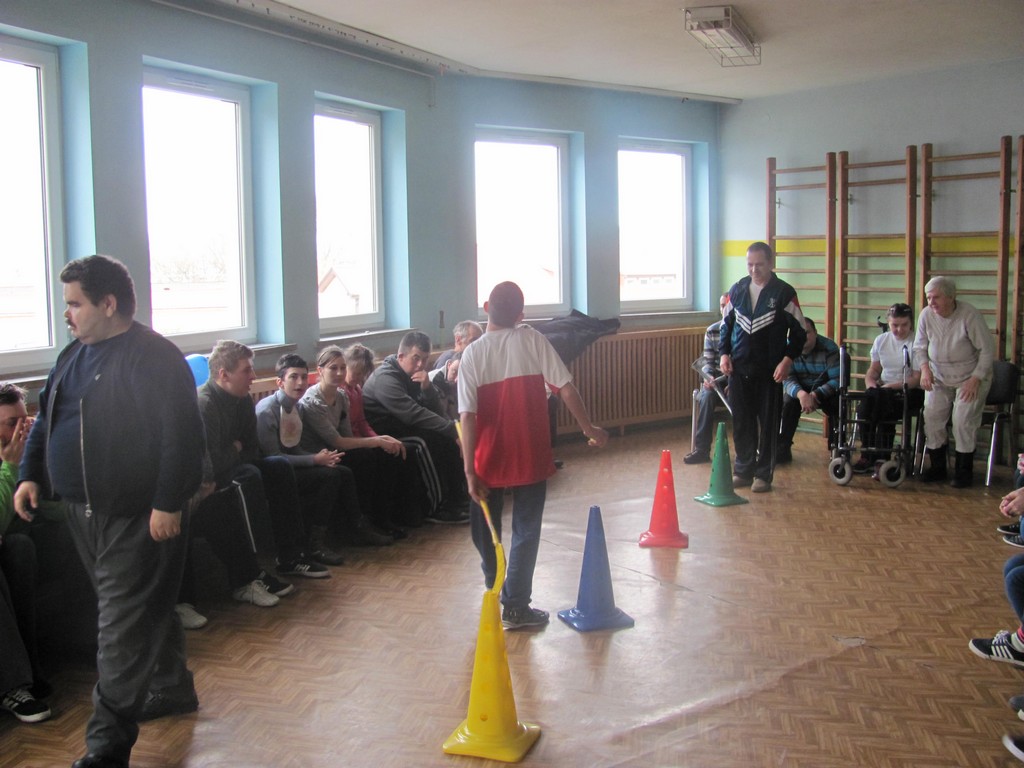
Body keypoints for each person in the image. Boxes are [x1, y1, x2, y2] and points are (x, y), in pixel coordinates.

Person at [14, 255, 205, 768]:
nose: (67, 314)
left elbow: (183, 436)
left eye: (75, 304)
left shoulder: (154, 356)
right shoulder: (72, 355)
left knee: (119, 628)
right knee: (139, 608)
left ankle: (105, 747)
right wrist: (32, 473)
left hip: (139, 514)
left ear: (108, 303)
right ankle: (172, 685)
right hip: (83, 511)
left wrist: (167, 501)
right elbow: (46, 418)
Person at [458, 281, 609, 630]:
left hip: (487, 459)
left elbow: (467, 416)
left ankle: (495, 583)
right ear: (521, 315)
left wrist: (469, 471)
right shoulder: (534, 340)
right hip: (530, 454)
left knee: (485, 529)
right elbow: (566, 389)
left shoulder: (472, 354)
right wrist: (589, 429)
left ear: (486, 308)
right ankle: (515, 604)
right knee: (527, 530)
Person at [198, 340, 329, 579]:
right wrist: (235, 448)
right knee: (249, 476)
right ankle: (252, 573)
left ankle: (291, 556)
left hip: (238, 464)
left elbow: (250, 447)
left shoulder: (243, 400)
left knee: (279, 467)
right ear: (224, 375)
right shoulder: (205, 404)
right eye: (247, 370)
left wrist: (234, 448)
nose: (254, 376)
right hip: (210, 478)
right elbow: (211, 462)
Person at [255, 353, 390, 555]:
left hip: (293, 462)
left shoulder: (297, 407)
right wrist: (314, 459)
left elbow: (295, 446)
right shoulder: (268, 411)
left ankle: (358, 526)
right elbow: (273, 456)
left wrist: (321, 457)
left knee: (344, 471)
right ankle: (314, 542)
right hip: (275, 471)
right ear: (280, 382)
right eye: (293, 377)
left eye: (303, 377)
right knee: (331, 475)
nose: (300, 383)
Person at [719, 242, 807, 493]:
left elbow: (799, 333)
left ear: (770, 263)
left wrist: (787, 360)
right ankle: (743, 470)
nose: (754, 269)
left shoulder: (784, 293)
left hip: (770, 372)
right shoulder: (737, 290)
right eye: (750, 264)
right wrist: (724, 354)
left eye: (759, 264)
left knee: (768, 424)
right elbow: (725, 325)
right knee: (742, 423)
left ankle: (763, 475)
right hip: (739, 370)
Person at [301, 346, 413, 537]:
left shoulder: (342, 395)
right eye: (333, 368)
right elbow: (338, 441)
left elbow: (352, 430)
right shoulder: (313, 401)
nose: (339, 373)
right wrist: (377, 441)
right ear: (320, 371)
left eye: (342, 368)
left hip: (336, 449)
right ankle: (361, 524)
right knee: (366, 458)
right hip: (319, 454)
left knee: (385, 455)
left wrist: (381, 440)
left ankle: (381, 518)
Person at [363, 331, 471, 524]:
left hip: (404, 426)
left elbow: (436, 411)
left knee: (446, 437)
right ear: (401, 356)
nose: (421, 364)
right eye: (416, 358)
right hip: (385, 432)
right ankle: (437, 508)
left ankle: (457, 498)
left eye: (425, 359)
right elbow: (412, 413)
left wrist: (427, 389)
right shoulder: (385, 379)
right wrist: (451, 428)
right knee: (425, 443)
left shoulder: (414, 375)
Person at [912, 276, 995, 488]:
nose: (931, 302)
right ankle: (938, 468)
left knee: (962, 420)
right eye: (928, 298)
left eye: (936, 297)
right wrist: (924, 369)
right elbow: (919, 347)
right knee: (932, 416)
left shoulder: (969, 315)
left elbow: (987, 351)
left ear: (951, 297)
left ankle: (963, 472)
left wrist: (975, 379)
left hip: (971, 377)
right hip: (938, 376)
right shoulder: (926, 315)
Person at [342, 343, 438, 526]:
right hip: (351, 443)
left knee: (400, 451)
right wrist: (375, 441)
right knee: (381, 458)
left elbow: (362, 422)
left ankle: (406, 514)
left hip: (363, 439)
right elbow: (344, 431)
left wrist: (380, 439)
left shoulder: (357, 390)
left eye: (362, 374)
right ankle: (378, 520)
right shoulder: (341, 392)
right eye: (355, 372)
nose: (357, 377)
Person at [0, 383, 50, 724]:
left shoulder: (29, 451)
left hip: (13, 544)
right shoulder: (10, 461)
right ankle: (14, 686)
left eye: (24, 419)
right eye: (10, 422)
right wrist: (9, 468)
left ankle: (29, 672)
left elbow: (46, 509)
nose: (21, 428)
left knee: (20, 548)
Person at [853, 303, 923, 474]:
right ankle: (867, 454)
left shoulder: (916, 342)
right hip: (883, 389)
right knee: (864, 410)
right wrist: (870, 381)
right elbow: (874, 369)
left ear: (911, 323)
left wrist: (889, 387)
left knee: (885, 409)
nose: (899, 329)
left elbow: (916, 379)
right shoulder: (881, 340)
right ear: (888, 323)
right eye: (894, 325)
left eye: (904, 325)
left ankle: (882, 457)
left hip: (909, 390)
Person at [777, 317, 840, 463]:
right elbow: (787, 378)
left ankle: (836, 447)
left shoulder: (829, 348)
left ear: (815, 333)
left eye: (807, 332)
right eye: (798, 333)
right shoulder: (787, 349)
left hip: (824, 389)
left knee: (838, 404)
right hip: (801, 390)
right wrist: (801, 394)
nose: (803, 337)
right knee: (787, 403)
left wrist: (815, 395)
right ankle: (783, 447)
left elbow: (836, 380)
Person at [684, 294, 730, 465]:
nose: (724, 309)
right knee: (707, 396)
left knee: (742, 399)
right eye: (722, 305)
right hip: (716, 380)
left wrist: (734, 384)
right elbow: (707, 363)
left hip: (736, 380)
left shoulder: (742, 331)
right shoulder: (712, 330)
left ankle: (747, 452)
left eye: (727, 305)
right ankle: (702, 450)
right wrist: (708, 378)